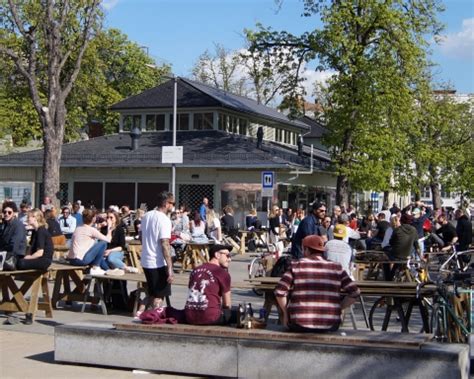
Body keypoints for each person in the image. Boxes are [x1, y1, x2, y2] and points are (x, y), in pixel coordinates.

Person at [275, 235, 360, 332]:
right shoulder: (336, 267)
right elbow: (355, 292)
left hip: (299, 323)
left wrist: (285, 313)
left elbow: (280, 291)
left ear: (306, 249)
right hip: (330, 324)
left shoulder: (297, 265)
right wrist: (339, 308)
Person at [138, 192, 175, 315]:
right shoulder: (164, 220)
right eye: (172, 203)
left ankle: (141, 312)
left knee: (152, 292)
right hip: (158, 262)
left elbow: (141, 236)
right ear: (165, 203)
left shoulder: (146, 216)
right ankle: (154, 316)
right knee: (159, 295)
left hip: (146, 260)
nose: (173, 206)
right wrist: (170, 267)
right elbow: (165, 244)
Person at [184, 244, 233, 325]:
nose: (229, 259)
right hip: (210, 317)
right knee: (242, 314)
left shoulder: (195, 270)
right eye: (227, 255)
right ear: (217, 255)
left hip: (189, 316)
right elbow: (227, 304)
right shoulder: (222, 273)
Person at [67, 209, 112, 275]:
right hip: (81, 260)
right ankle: (96, 267)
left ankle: (109, 271)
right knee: (103, 243)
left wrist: (98, 227)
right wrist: (109, 228)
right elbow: (108, 240)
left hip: (72, 260)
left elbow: (88, 232)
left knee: (99, 259)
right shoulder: (91, 230)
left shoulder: (78, 228)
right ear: (93, 219)